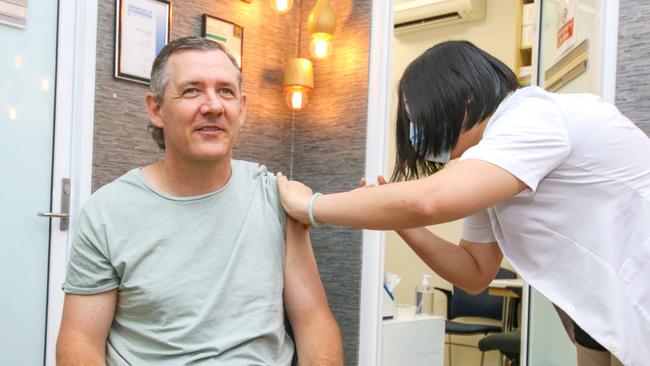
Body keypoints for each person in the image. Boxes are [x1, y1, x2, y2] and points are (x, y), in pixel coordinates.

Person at [277, 41, 650, 366]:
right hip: (598, 317)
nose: (416, 130)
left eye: (418, 115)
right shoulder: (490, 161)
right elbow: (474, 272)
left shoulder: (533, 117)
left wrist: (312, 206)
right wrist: (398, 221)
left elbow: (429, 200)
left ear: (463, 97)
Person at [56, 36, 343, 365]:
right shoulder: (106, 212)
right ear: (156, 108)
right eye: (192, 90)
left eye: (225, 91)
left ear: (242, 109)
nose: (213, 106)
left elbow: (314, 321)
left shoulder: (276, 197)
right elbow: (80, 341)